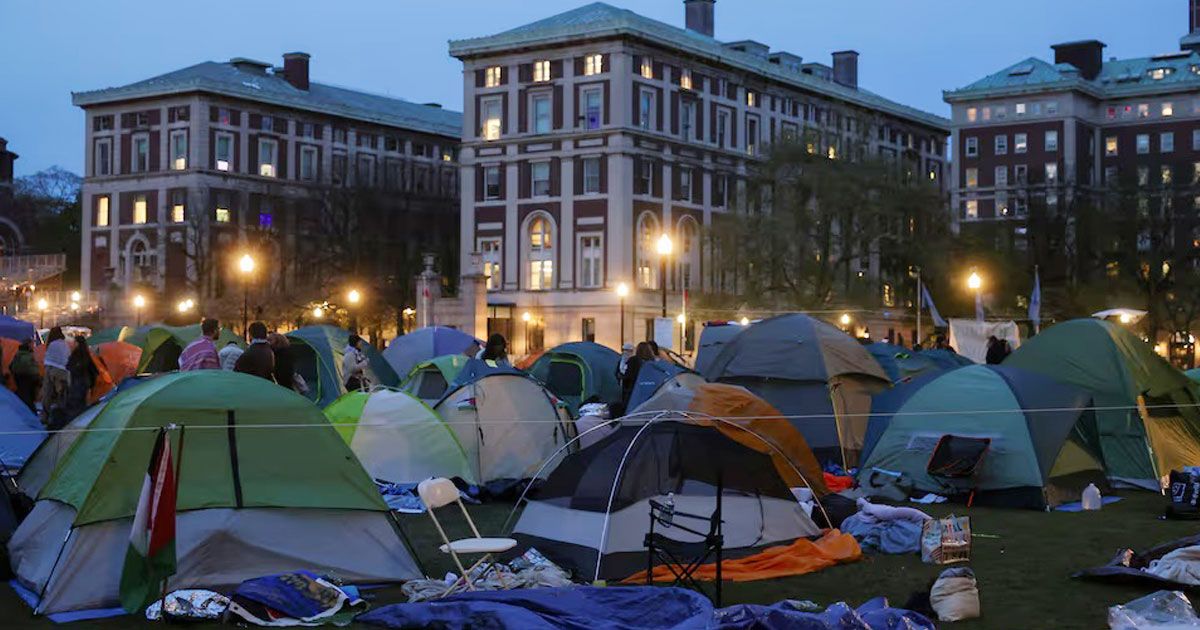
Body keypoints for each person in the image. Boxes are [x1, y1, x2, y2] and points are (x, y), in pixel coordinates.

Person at [64, 335, 98, 425]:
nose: (72, 344)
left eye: (74, 342)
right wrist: (91, 385)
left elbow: (70, 367)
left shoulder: (76, 356)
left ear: (78, 344)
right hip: (84, 384)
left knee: (74, 406)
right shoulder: (86, 355)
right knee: (81, 406)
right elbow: (94, 371)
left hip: (77, 384)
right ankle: (80, 422)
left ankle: (72, 423)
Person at [41, 326, 70, 423]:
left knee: (48, 394)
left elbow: (48, 359)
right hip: (64, 372)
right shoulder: (65, 344)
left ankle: (46, 416)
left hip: (51, 369)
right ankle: (60, 416)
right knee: (61, 395)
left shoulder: (52, 344)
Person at [620, 342, 657, 412]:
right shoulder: (653, 362)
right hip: (649, 389)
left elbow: (628, 375)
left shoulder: (633, 360)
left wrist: (621, 376)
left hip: (634, 388)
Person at [10, 339, 40, 413]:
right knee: (28, 397)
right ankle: (31, 412)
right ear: (29, 345)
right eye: (32, 344)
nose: (33, 346)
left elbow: (11, 366)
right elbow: (32, 368)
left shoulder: (18, 353)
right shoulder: (28, 355)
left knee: (23, 394)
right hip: (29, 377)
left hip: (19, 376)